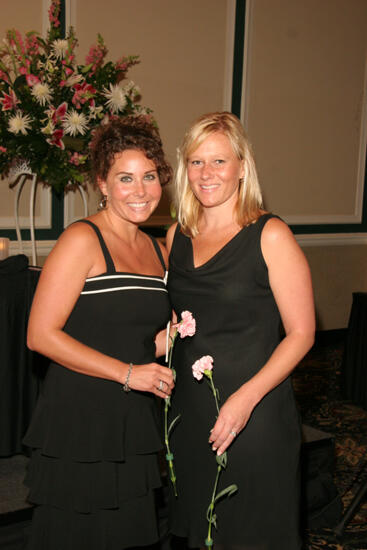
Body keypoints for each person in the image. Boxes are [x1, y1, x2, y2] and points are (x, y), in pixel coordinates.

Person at [23, 116, 175, 550]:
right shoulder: (82, 239)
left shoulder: (156, 249)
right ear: (102, 184)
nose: (140, 190)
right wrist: (129, 373)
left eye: (149, 177)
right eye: (125, 178)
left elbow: (143, 338)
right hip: (82, 417)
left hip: (132, 418)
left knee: (128, 534)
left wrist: (180, 336)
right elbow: (40, 335)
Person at [166, 112, 315, 550]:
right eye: (196, 162)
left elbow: (302, 333)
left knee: (250, 531)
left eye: (218, 161)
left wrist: (245, 399)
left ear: (241, 167)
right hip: (191, 414)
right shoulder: (177, 234)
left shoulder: (270, 234)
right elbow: (177, 323)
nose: (206, 173)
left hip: (255, 412)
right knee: (200, 530)